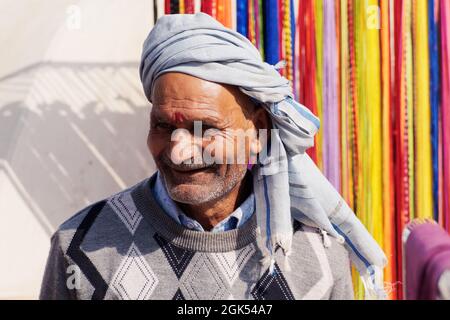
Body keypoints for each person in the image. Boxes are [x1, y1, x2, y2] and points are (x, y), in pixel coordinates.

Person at [39, 13, 386, 300]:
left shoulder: (318, 252)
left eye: (204, 128)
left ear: (257, 129)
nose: (178, 149)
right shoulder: (81, 246)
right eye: (162, 125)